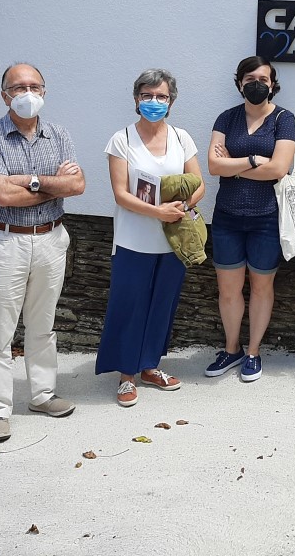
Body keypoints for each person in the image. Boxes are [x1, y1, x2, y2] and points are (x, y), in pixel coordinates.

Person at [0, 63, 86, 443]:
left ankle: (42, 395)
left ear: (44, 91)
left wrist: (30, 181)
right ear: (4, 95)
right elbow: (2, 195)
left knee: (43, 325)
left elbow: (78, 185)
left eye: (34, 86)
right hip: (6, 241)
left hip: (50, 239)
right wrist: (54, 186)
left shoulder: (59, 135)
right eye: (18, 87)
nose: (27, 93)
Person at [98, 69, 204, 407]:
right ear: (136, 99)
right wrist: (157, 212)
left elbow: (199, 183)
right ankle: (126, 375)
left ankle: (149, 366)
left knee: (163, 304)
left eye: (161, 96)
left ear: (171, 101)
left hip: (172, 240)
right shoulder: (122, 140)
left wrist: (181, 206)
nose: (154, 102)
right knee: (129, 305)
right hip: (133, 240)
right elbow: (120, 194)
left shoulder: (181, 138)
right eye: (147, 95)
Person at [206, 56, 295, 382]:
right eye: (249, 79)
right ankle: (231, 349)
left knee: (261, 288)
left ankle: (254, 352)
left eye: (263, 79)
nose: (256, 84)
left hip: (266, 219)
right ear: (239, 83)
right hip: (227, 218)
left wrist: (235, 164)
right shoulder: (226, 118)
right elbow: (213, 166)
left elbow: (279, 169)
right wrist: (256, 160)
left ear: (272, 85)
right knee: (228, 291)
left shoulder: (284, 119)